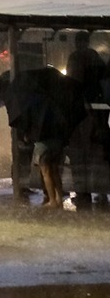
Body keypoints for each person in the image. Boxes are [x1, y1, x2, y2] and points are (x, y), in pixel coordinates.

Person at [66, 31, 106, 208]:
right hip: (96, 109)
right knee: (96, 152)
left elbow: (72, 81)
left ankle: (83, 192)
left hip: (80, 111)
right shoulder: (94, 57)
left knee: (79, 154)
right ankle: (100, 189)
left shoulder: (75, 58)